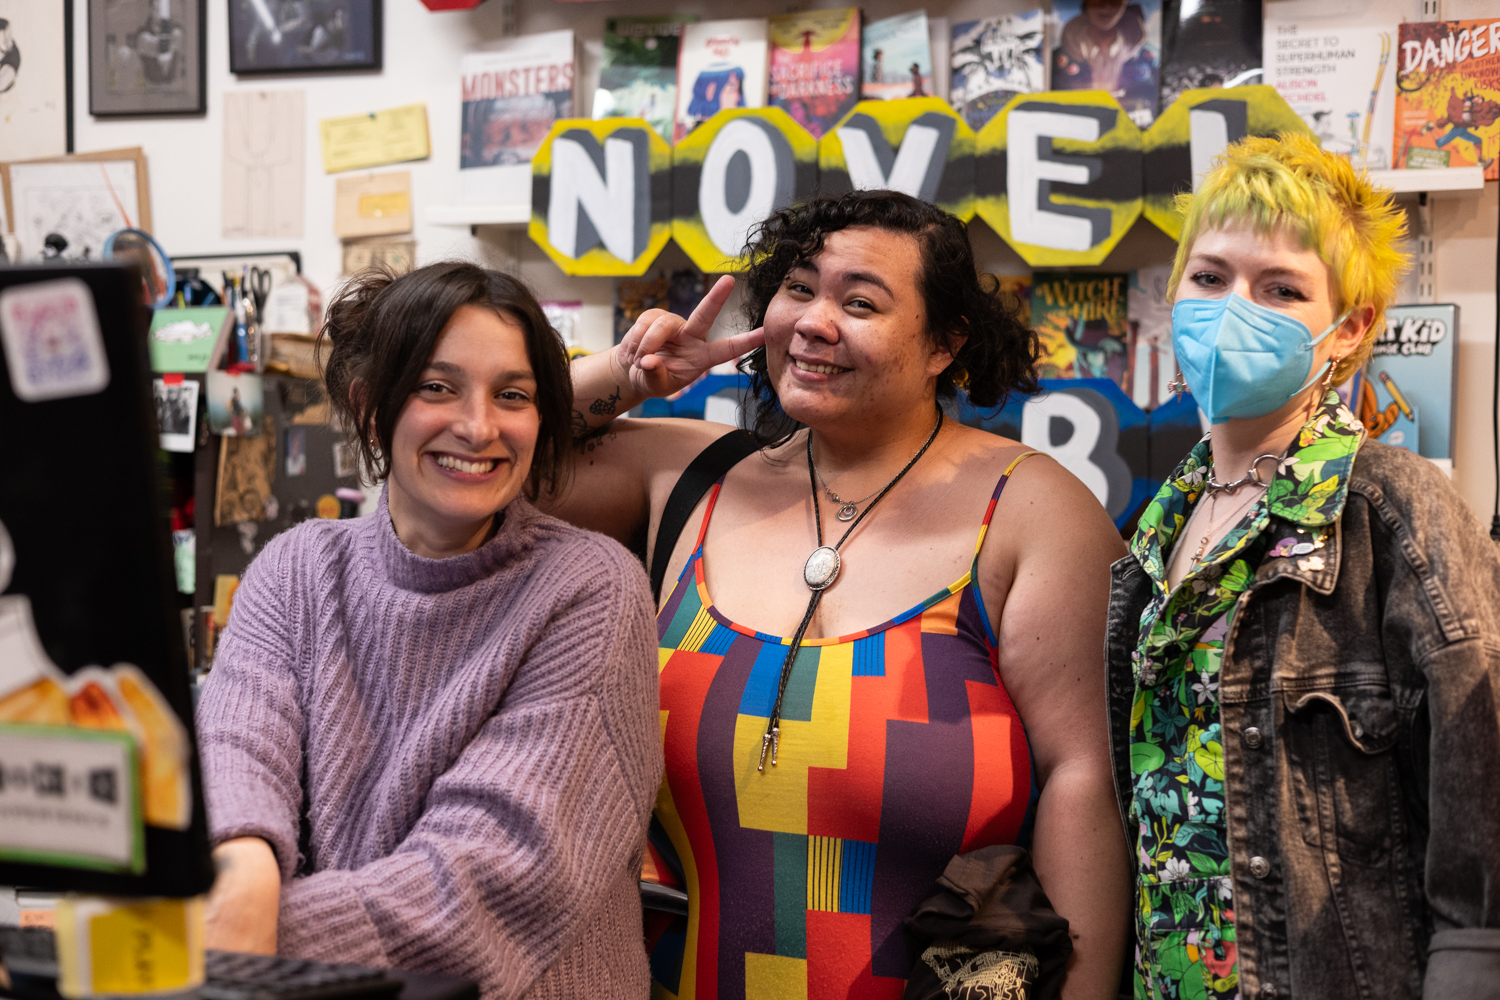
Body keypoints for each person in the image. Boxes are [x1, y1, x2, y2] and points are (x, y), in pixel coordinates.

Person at [547, 190, 1131, 998]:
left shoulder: (1030, 509)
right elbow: (479, 465)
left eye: (859, 303)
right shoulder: (693, 477)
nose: (814, 322)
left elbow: (1084, 781)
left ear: (944, 344)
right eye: (798, 289)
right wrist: (626, 374)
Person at [196, 262, 662, 998]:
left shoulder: (591, 589)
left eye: (513, 395)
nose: (478, 427)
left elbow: (477, 887)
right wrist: (241, 866)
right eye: (437, 388)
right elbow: (235, 757)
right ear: (370, 409)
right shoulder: (296, 568)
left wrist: (216, 933)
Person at [1108, 132, 1500, 1000]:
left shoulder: (1393, 509)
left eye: (1280, 289)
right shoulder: (1159, 528)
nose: (1231, 309)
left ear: (1348, 328)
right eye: (1209, 277)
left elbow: (1481, 776)